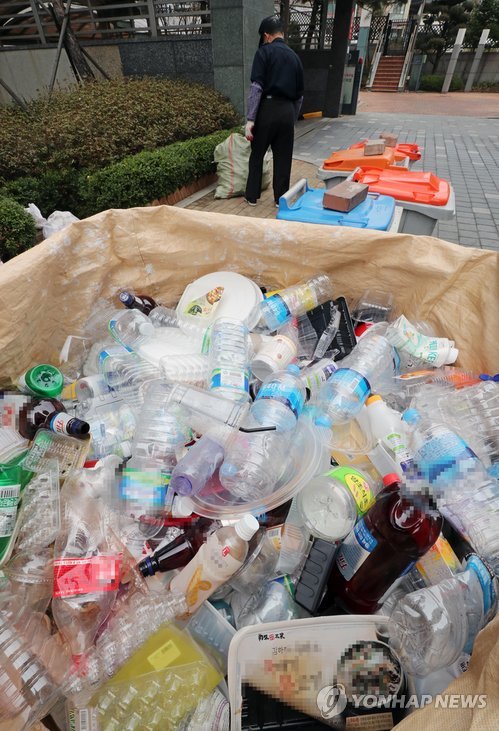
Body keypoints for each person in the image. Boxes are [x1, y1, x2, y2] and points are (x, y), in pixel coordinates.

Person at [244, 16, 304, 207]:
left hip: (267, 110)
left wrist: (250, 119)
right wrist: (292, 118)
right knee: (283, 158)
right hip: (287, 111)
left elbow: (256, 88)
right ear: (281, 34)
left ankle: (252, 196)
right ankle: (280, 199)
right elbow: (299, 96)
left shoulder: (264, 52)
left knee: (257, 154)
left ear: (267, 35)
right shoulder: (294, 57)